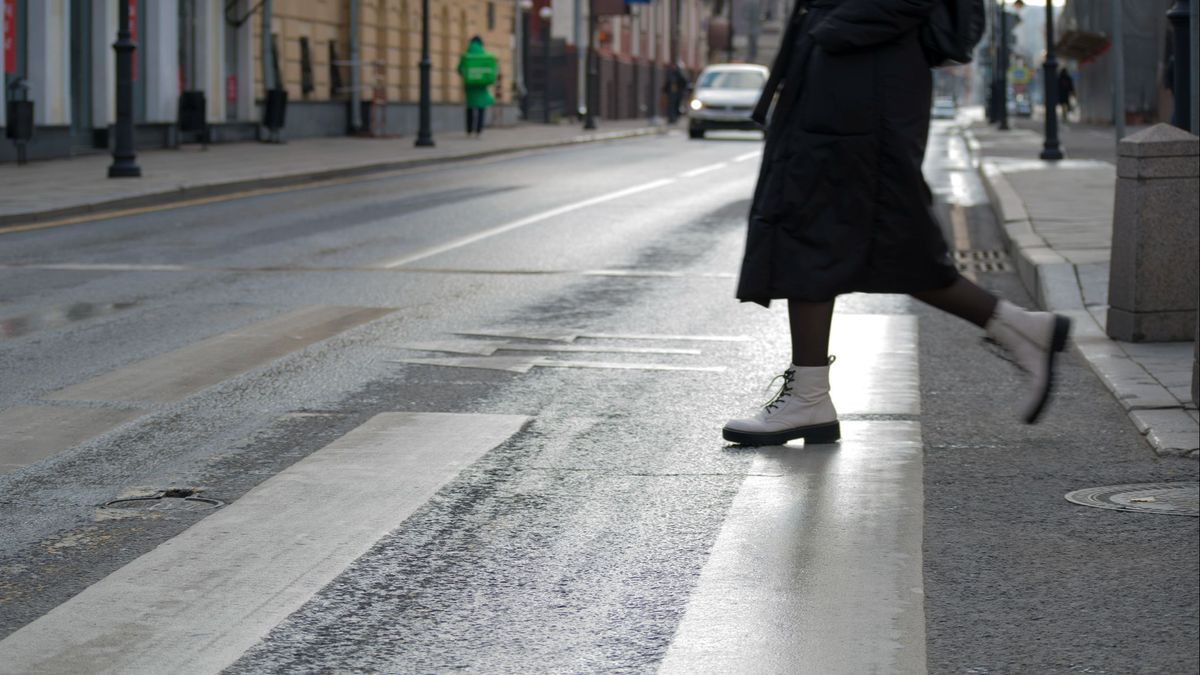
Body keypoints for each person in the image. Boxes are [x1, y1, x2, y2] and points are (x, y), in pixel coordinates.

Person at [722, 0, 1071, 447]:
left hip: (865, 78)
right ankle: (809, 394)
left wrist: (833, 29)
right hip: (845, 72)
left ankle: (1022, 329)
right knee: (810, 225)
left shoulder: (851, 37)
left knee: (882, 237)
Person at [457, 36, 498, 136]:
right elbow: (491, 69)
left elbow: (459, 69)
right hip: (481, 87)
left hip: (470, 86)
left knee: (470, 107)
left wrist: (468, 76)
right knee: (481, 108)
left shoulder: (466, 56)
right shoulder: (485, 56)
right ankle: (479, 130)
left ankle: (469, 129)